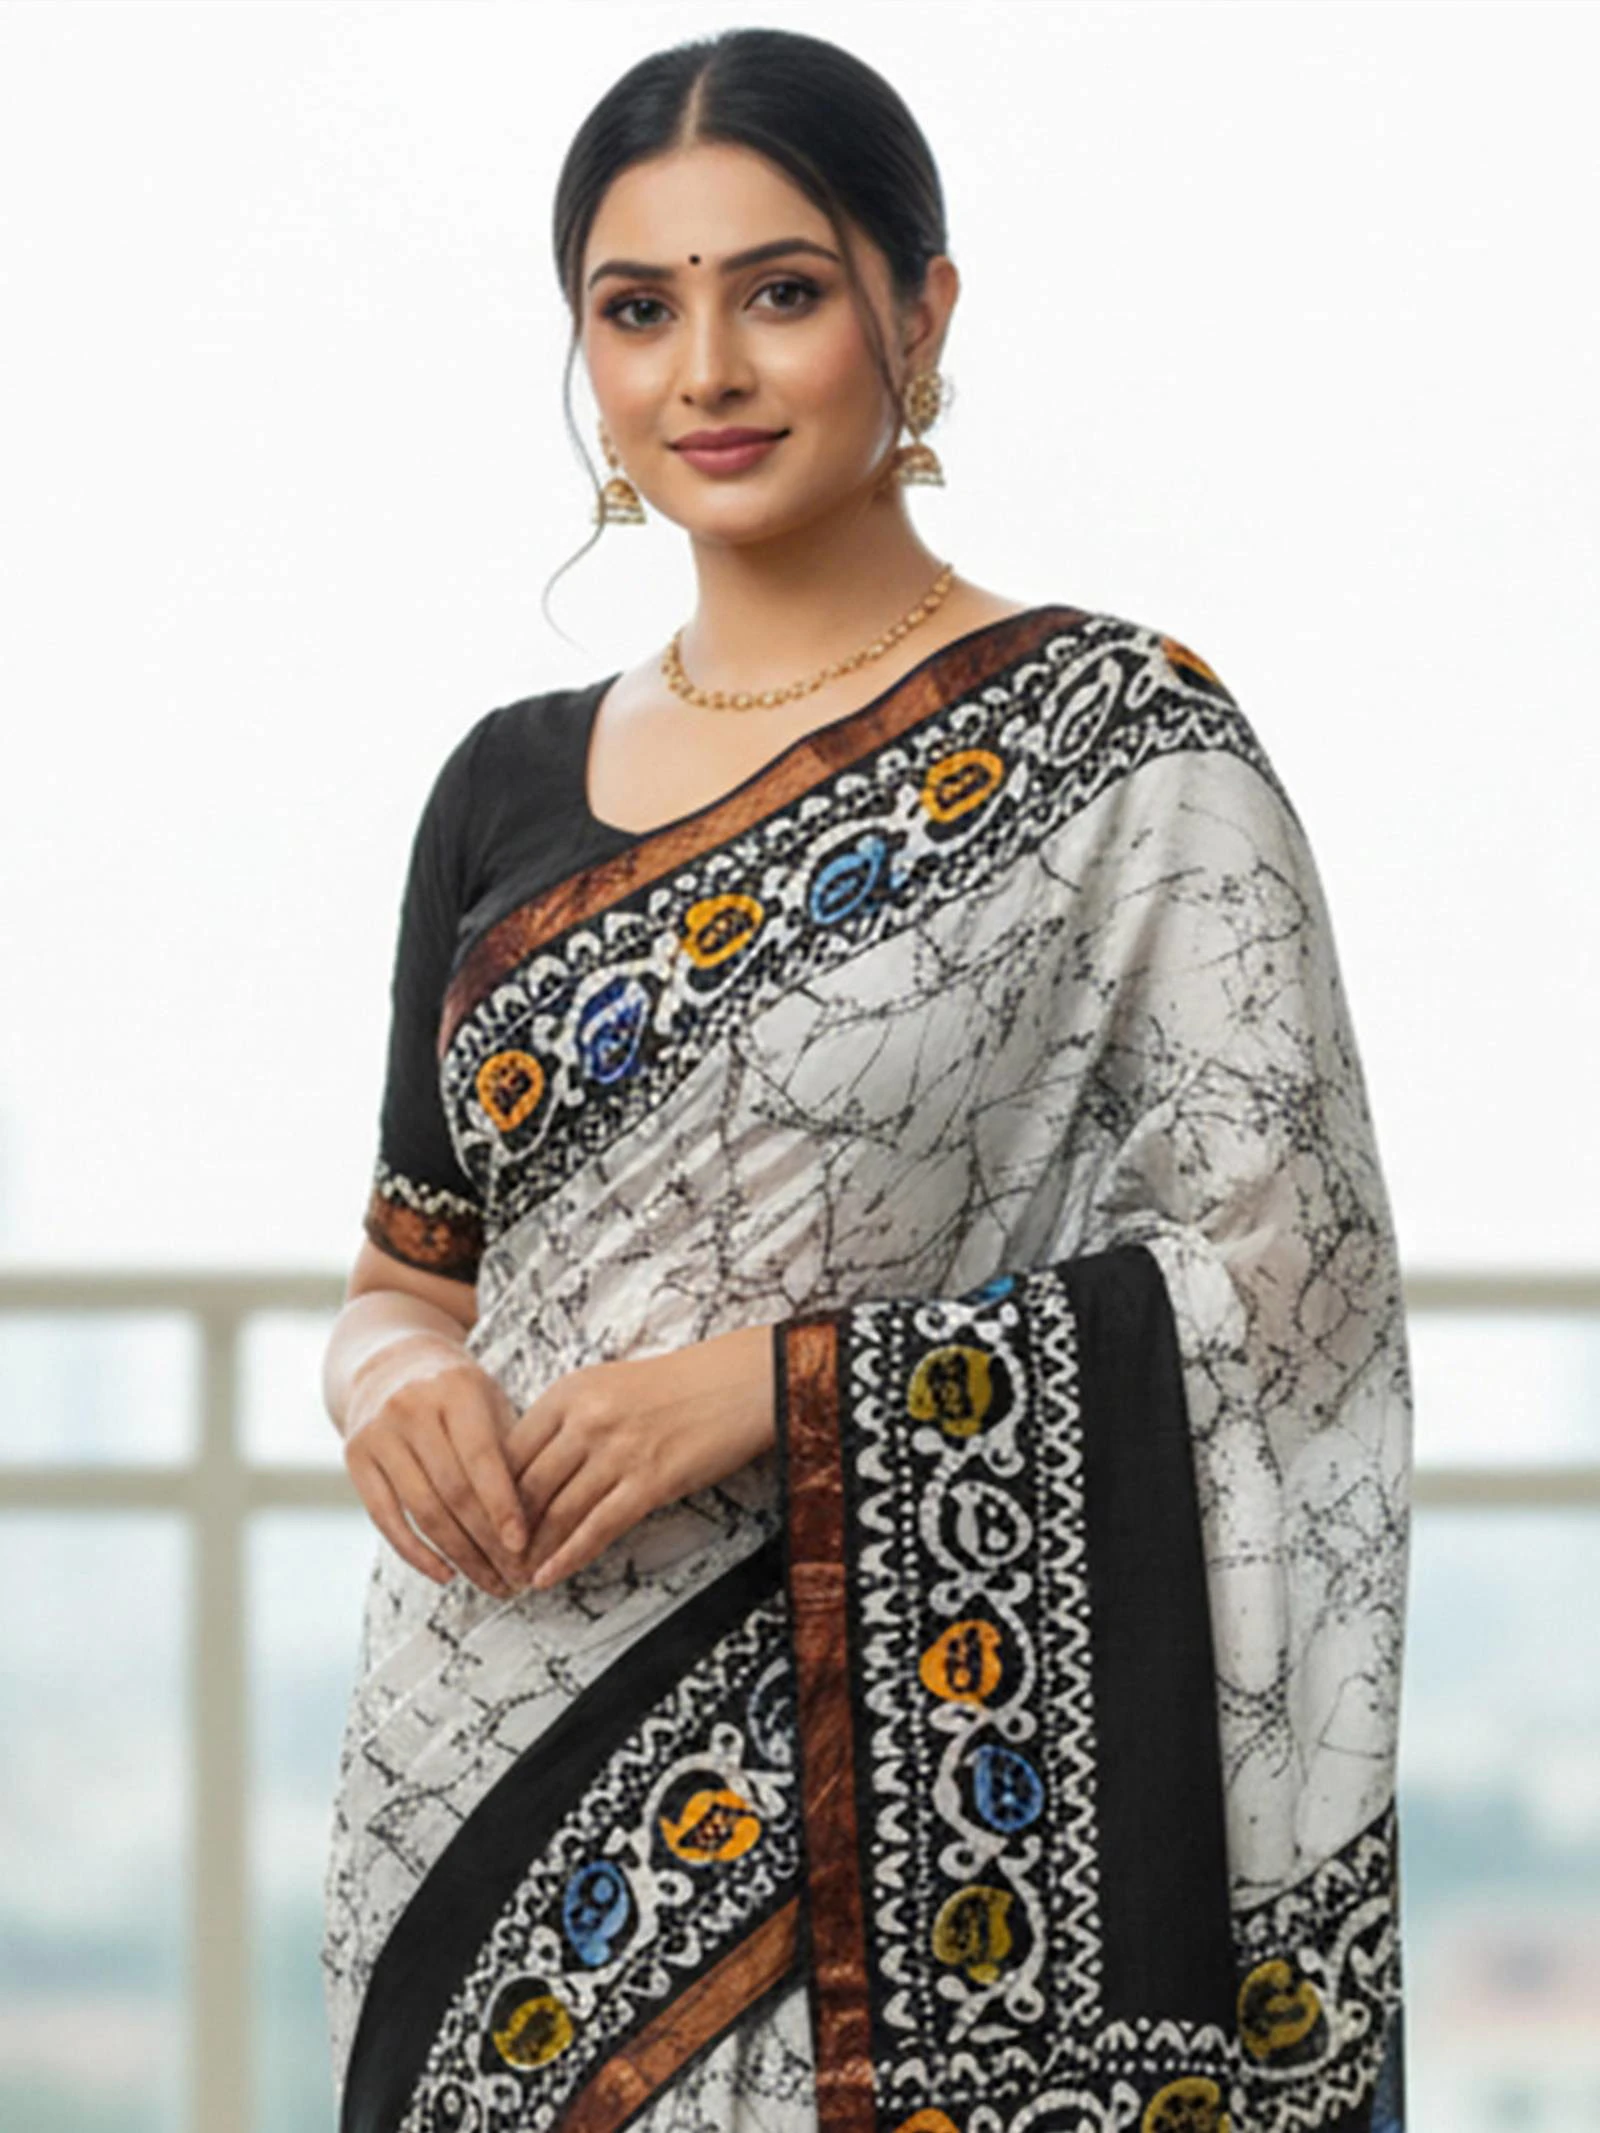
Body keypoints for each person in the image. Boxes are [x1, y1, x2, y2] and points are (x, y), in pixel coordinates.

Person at [318, 26, 1411, 2133]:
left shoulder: (1119, 747)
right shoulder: (500, 786)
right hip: (480, 1755)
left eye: (782, 290)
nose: (707, 371)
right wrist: (390, 1392)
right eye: (638, 310)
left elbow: (1294, 1297)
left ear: (921, 311)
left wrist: (776, 1387)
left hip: (916, 1804)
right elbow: (406, 1273)